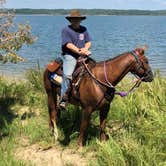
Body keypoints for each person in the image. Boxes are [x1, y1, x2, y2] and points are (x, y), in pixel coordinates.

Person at [59, 9, 92, 109]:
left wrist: (85, 49)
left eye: (77, 19)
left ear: (80, 20)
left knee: (94, 70)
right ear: (70, 20)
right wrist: (79, 51)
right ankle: (63, 99)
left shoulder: (84, 29)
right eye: (74, 19)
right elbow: (68, 44)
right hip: (70, 55)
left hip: (82, 54)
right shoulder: (66, 30)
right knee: (68, 75)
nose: (76, 21)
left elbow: (89, 41)